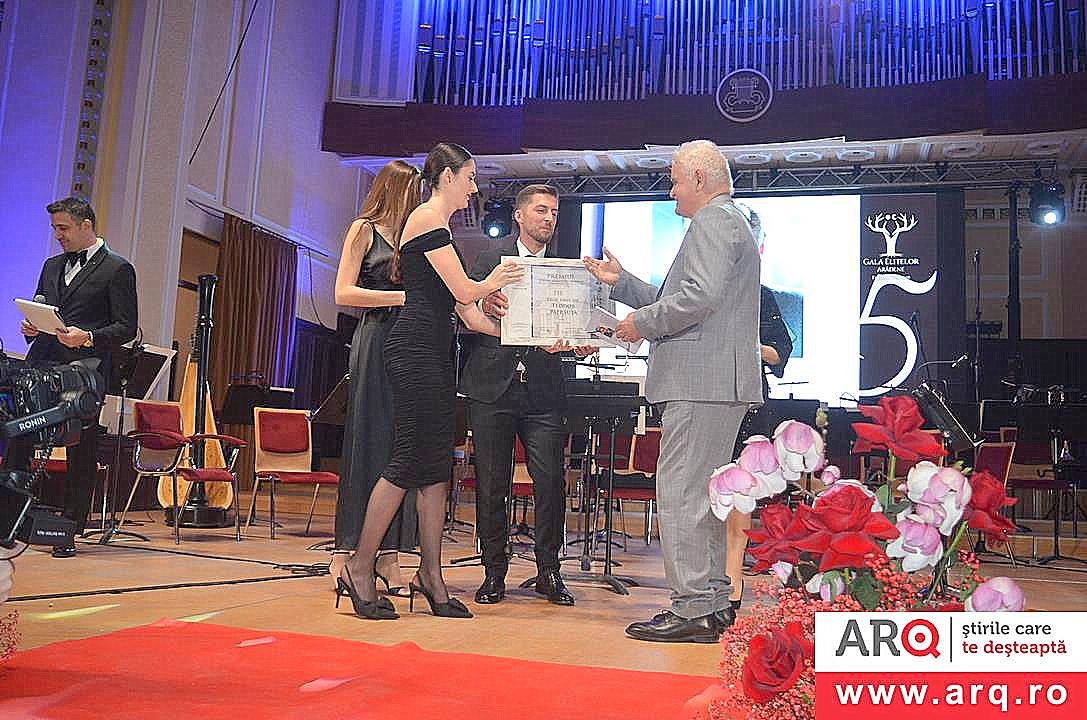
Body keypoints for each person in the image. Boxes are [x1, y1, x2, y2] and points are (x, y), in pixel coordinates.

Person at [583, 140, 761, 643]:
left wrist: (639, 323)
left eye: (676, 181)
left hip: (700, 381)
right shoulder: (729, 221)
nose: (671, 191)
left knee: (681, 493)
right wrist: (623, 284)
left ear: (700, 179)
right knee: (699, 497)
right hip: (713, 381)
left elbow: (697, 299)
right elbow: (687, 297)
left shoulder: (713, 221)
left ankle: (694, 608)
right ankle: (710, 602)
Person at [337, 143, 522, 620]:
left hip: (437, 354)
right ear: (446, 177)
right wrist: (498, 276)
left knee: (438, 468)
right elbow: (467, 290)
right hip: (413, 350)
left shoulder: (443, 231)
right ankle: (360, 565)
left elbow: (471, 316)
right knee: (406, 461)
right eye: (470, 178)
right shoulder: (424, 219)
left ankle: (431, 576)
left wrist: (532, 338)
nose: (474, 188)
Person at [459, 184, 591, 607]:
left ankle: (549, 570)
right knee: (491, 483)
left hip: (543, 390)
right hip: (491, 386)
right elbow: (464, 314)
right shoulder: (488, 260)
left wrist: (578, 341)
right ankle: (493, 571)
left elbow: (574, 326)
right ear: (518, 215)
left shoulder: (564, 270)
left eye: (553, 211)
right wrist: (485, 305)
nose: (548, 218)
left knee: (551, 482)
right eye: (540, 210)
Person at [1, 197, 138, 558]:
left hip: (84, 373)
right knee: (19, 437)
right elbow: (43, 306)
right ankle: (9, 521)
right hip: (40, 367)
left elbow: (126, 327)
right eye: (55, 229)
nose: (58, 235)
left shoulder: (117, 269)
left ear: (86, 225)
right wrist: (31, 327)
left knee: (81, 447)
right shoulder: (51, 265)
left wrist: (88, 337)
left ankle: (70, 529)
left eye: (63, 228)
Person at [330, 160, 422, 597]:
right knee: (368, 443)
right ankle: (346, 551)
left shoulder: (412, 237)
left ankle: (389, 554)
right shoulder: (363, 230)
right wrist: (401, 297)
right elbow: (342, 292)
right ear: (396, 190)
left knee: (400, 448)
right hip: (375, 339)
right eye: (413, 191)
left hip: (407, 343)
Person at [726, 207, 793, 611]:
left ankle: (732, 580)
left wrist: (747, 348)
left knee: (739, 496)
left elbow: (780, 351)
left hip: (747, 404)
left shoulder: (763, 296)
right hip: (702, 403)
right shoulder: (698, 289)